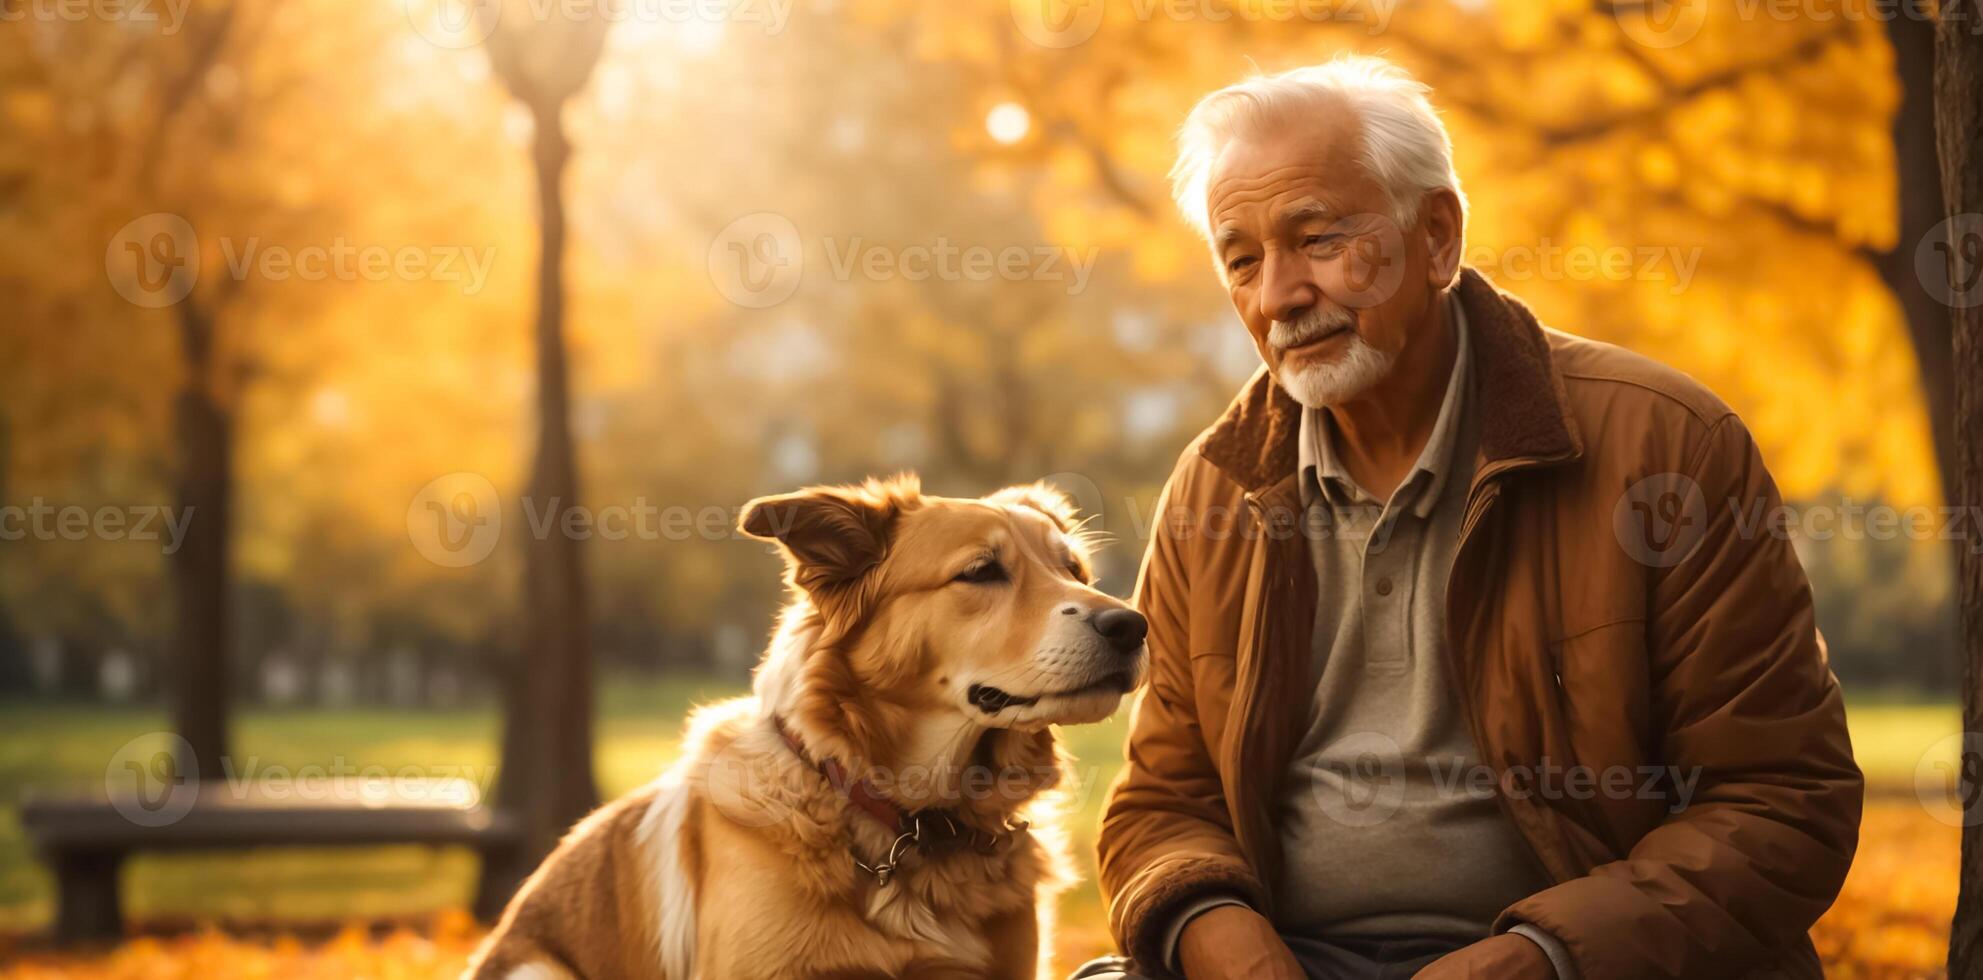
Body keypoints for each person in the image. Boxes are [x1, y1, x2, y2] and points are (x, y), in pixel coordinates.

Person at [1078, 54, 1862, 980]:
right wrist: (1225, 941)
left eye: (1319, 239)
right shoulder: (1214, 488)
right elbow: (1162, 802)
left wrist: (1541, 958)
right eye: (1241, 259)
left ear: (1437, 237)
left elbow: (1779, 799)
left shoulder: (1665, 446)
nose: (1278, 294)